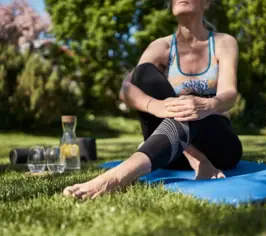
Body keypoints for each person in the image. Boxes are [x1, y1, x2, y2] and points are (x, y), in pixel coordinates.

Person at [63, 0, 243, 200]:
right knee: (143, 73)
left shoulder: (223, 42)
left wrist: (207, 105)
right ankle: (197, 160)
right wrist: (157, 107)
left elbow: (229, 94)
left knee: (191, 108)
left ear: (207, 2)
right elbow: (126, 90)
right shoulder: (161, 46)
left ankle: (117, 177)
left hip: (218, 147)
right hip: (170, 153)